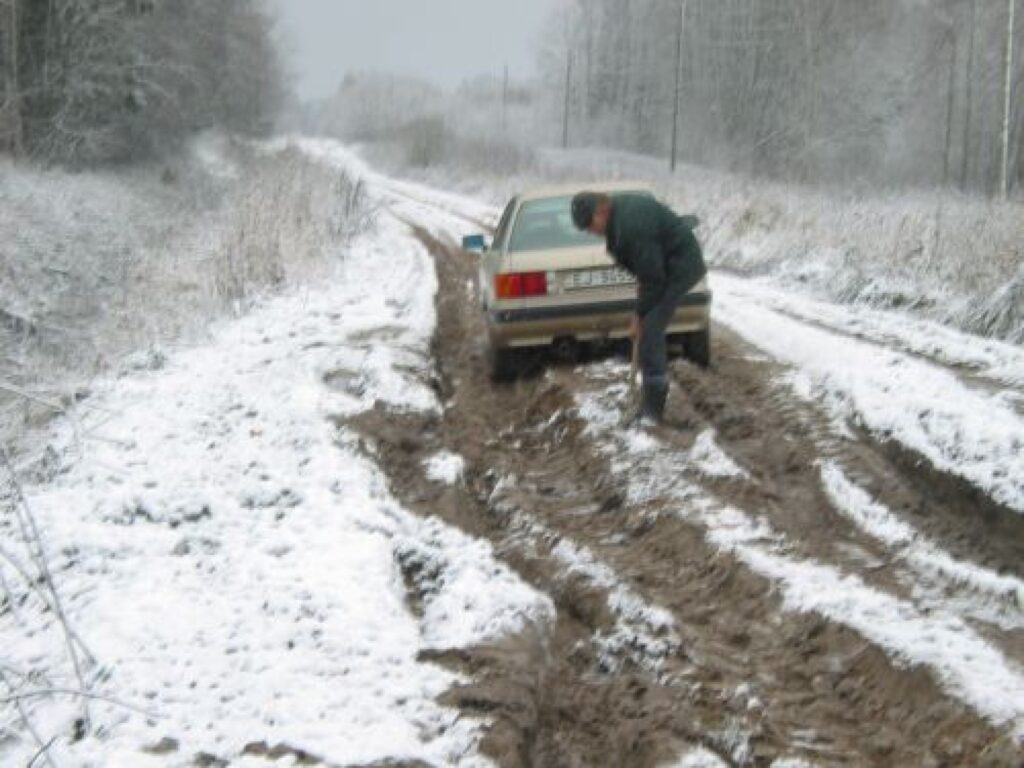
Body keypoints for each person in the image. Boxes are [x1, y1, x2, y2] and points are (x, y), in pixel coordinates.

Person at [570, 190, 706, 422]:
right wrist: (642, 290)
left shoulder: (630, 226)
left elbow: (654, 280)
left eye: (589, 225)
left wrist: (639, 316)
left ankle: (653, 410)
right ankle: (649, 401)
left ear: (600, 211)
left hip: (679, 267)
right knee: (647, 327)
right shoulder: (619, 219)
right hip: (664, 266)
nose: (590, 231)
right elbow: (647, 268)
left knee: (650, 331)